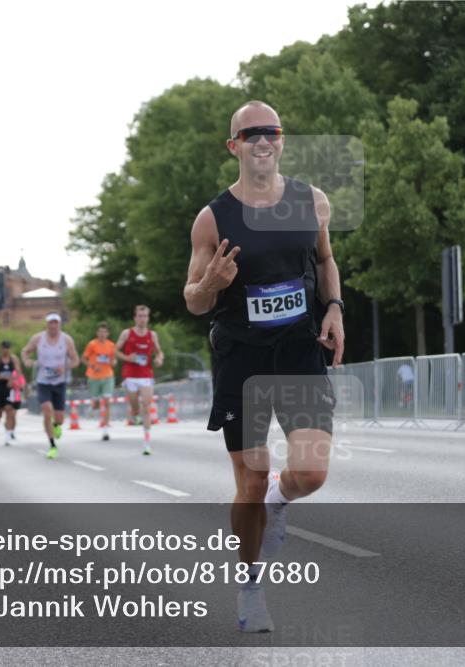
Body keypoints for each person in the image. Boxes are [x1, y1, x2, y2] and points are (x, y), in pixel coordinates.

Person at [183, 100, 345, 632]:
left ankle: (282, 497)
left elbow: (324, 260)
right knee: (249, 482)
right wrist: (213, 284)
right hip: (242, 358)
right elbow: (193, 300)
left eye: (270, 131)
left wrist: (336, 309)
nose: (261, 141)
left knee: (311, 473)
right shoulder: (213, 218)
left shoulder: (311, 201)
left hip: (298, 350)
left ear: (281, 140)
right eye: (249, 133)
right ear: (234, 146)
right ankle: (251, 587)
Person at [21, 313, 79, 459]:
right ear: (47, 324)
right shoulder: (38, 338)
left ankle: (57, 426)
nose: (53, 326)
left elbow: (75, 360)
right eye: (50, 323)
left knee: (59, 418)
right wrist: (27, 360)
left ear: (59, 324)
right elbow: (25, 351)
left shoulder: (66, 340)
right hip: (43, 381)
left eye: (56, 323)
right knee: (47, 410)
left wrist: (64, 368)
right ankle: (52, 445)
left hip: (60, 382)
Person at [115, 306, 164, 455]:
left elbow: (159, 352)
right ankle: (135, 415)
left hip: (146, 375)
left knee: (146, 406)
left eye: (145, 316)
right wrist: (127, 357)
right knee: (135, 408)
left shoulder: (152, 335)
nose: (142, 319)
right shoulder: (127, 333)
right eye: (140, 316)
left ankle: (147, 443)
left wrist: (159, 359)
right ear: (135, 317)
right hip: (130, 375)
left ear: (148, 318)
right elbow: (115, 350)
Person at [82, 321, 118, 441]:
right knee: (97, 403)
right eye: (100, 332)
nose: (102, 334)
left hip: (107, 376)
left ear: (108, 333)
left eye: (104, 332)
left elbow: (114, 360)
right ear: (97, 333)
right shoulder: (92, 344)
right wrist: (92, 366)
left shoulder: (111, 345)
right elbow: (84, 359)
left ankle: (105, 431)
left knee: (107, 402)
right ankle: (93, 406)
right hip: (93, 376)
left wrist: (113, 362)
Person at [0, 341, 23, 444]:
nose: (6, 350)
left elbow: (18, 372)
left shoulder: (14, 359)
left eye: (8, 348)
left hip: (10, 389)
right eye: (4, 348)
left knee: (9, 410)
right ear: (1, 348)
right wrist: (5, 377)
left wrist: (13, 379)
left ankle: (8, 435)